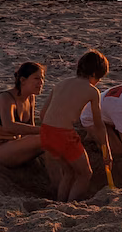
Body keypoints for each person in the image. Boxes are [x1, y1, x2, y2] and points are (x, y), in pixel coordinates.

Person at [39, 49, 113, 202]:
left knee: (69, 173)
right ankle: (71, 205)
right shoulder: (92, 91)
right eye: (99, 78)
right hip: (63, 135)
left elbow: (42, 114)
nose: (98, 82)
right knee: (85, 174)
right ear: (94, 74)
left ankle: (60, 203)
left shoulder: (59, 84)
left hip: (46, 132)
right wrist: (107, 150)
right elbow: (99, 125)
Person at [0, 62, 46, 166]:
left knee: (54, 144)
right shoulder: (6, 98)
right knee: (50, 138)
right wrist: (46, 130)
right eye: (36, 78)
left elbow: (30, 128)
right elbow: (9, 127)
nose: (41, 82)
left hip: (16, 145)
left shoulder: (30, 98)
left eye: (42, 78)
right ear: (22, 80)